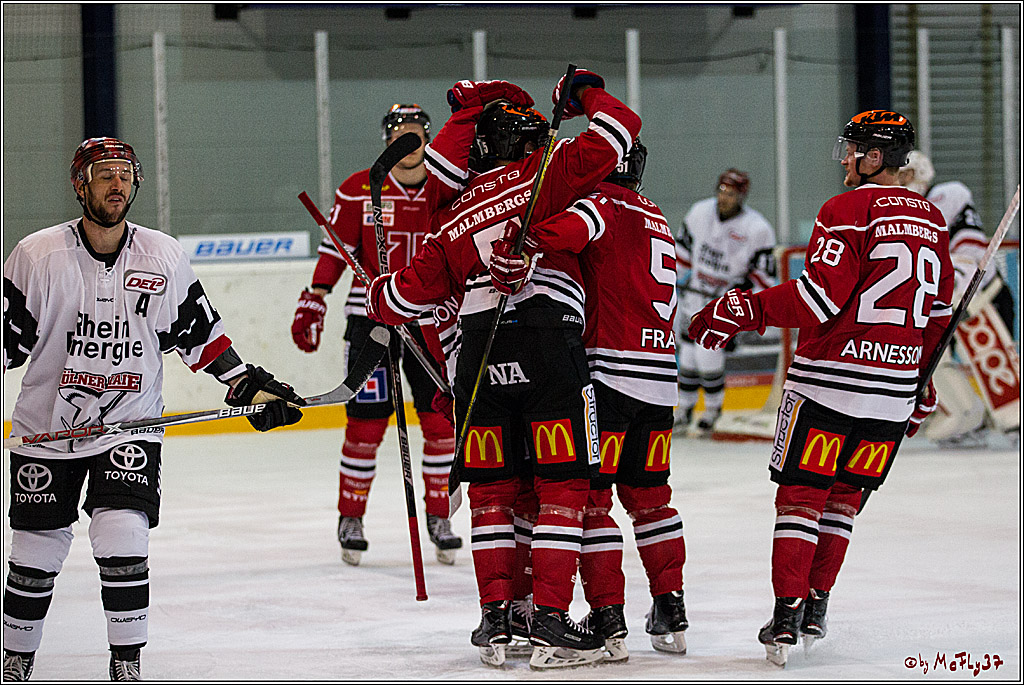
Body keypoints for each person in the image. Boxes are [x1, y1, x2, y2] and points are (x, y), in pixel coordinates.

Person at [364, 72, 641, 669]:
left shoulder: (452, 218)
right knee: (563, 487)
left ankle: (496, 621)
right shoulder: (550, 172)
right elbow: (623, 129)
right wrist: (586, 93)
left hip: (479, 361)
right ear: (526, 141)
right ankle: (548, 622)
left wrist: (380, 283)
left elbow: (395, 305)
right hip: (547, 347)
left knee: (492, 492)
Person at [2, 137, 304, 681]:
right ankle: (16, 659)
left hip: (129, 426)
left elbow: (202, 336)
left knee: (122, 534)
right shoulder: (36, 256)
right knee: (35, 550)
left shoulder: (162, 255)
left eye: (124, 174)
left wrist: (251, 388)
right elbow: (7, 341)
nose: (116, 183)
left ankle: (126, 664)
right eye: (104, 174)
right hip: (44, 429)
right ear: (81, 184)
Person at [688, 110, 953, 666]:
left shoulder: (846, 209)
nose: (846, 159)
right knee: (843, 506)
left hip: (829, 383)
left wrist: (742, 309)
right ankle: (816, 607)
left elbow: (818, 299)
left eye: (853, 149)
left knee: (802, 500)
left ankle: (786, 616)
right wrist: (921, 383)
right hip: (892, 391)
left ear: (875, 156)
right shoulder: (932, 221)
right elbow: (934, 317)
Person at [518, 139, 688, 660]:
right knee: (651, 499)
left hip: (608, 377)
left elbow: (563, 233)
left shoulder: (600, 204)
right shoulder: (657, 215)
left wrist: (521, 229)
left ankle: (608, 615)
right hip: (659, 382)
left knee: (591, 501)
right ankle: (670, 606)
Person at [290, 104, 463, 566]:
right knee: (365, 424)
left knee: (441, 424)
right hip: (371, 319)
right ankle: (351, 517)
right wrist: (317, 295)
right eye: (400, 134)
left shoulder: (447, 189)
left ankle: (440, 515)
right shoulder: (357, 189)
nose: (409, 141)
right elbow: (337, 247)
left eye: (416, 134)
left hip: (432, 320)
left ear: (428, 139)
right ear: (388, 141)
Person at [898, 150, 1019, 443]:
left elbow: (966, 252)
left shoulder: (948, 193)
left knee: (994, 362)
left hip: (983, 295)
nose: (902, 182)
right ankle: (967, 415)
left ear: (924, 172)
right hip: (947, 302)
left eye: (908, 175)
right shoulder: (906, 212)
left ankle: (1014, 418)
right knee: (930, 361)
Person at [673, 169, 776, 436]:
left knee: (708, 354)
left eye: (730, 193)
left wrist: (741, 291)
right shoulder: (699, 212)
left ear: (742, 196)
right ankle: (684, 410)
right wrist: (674, 280)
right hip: (695, 295)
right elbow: (681, 253)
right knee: (687, 356)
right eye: (721, 191)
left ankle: (712, 411)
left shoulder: (758, 228)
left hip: (724, 303)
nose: (724, 198)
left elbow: (765, 275)